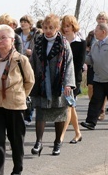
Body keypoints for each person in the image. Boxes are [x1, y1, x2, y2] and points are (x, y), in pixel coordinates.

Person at [0, 24, 35, 175]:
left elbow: (29, 81)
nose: (0, 41)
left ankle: (18, 167)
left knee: (16, 138)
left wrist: (20, 96)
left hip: (15, 104)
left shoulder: (21, 59)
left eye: (3, 38)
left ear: (12, 40)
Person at [29, 14, 75, 156]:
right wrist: (29, 79)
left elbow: (69, 65)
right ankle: (38, 142)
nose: (48, 30)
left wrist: (69, 84)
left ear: (57, 28)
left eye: (51, 28)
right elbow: (32, 62)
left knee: (59, 114)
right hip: (42, 83)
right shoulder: (38, 42)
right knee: (41, 113)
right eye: (45, 27)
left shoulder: (64, 43)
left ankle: (57, 143)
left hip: (59, 85)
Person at [60, 15, 86, 143]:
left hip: (74, 79)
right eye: (64, 26)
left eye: (68, 26)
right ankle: (78, 133)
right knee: (72, 107)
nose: (66, 28)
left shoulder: (81, 43)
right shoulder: (60, 41)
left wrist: (71, 82)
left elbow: (79, 65)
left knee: (68, 106)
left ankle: (61, 136)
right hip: (60, 79)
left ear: (73, 26)